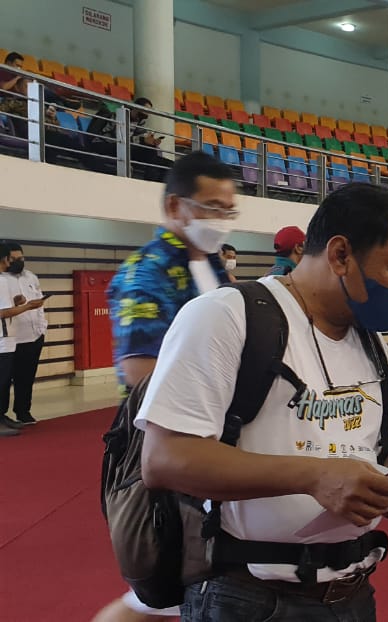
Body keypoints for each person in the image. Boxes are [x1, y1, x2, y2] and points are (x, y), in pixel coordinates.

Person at [133, 183, 388, 621]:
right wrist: (316, 477)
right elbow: (165, 459)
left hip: (352, 591)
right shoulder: (228, 315)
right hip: (249, 597)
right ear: (340, 255)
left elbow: (385, 448)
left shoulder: (369, 341)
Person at [94, 152, 237, 622]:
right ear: (176, 207)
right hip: (166, 445)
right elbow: (140, 374)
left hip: (212, 436)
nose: (221, 220)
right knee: (161, 591)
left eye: (228, 210)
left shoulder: (212, 265)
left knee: (199, 582)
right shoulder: (146, 272)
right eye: (212, 208)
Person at [0, 241, 48, 426]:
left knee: (26, 377)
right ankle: (2, 416)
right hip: (11, 338)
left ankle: (23, 411)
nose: (18, 262)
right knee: (4, 380)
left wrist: (42, 327)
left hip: (33, 335)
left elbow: (36, 303)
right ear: (6, 259)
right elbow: (3, 310)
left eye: (21, 258)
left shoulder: (31, 276)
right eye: (14, 259)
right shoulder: (3, 279)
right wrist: (27, 306)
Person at [84, 97, 173, 181]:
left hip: (125, 149)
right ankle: (149, 181)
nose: (142, 117)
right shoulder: (119, 116)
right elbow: (118, 138)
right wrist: (141, 140)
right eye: (142, 113)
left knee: (169, 164)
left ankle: (156, 184)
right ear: (135, 108)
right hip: (105, 145)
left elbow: (139, 138)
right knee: (150, 152)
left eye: (146, 115)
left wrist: (151, 141)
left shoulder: (139, 122)